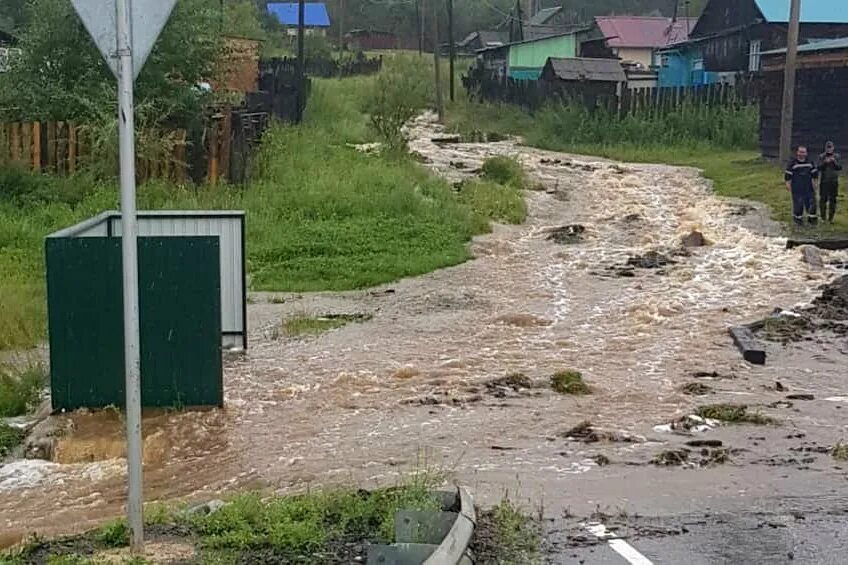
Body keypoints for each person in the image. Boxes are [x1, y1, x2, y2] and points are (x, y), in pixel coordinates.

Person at [785, 145, 819, 226]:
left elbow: (815, 175)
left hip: (809, 188)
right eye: (800, 152)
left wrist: (815, 184)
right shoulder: (792, 163)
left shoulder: (810, 163)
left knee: (811, 204)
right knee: (798, 204)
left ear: (806, 153)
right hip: (797, 188)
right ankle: (798, 219)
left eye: (803, 152)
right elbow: (787, 176)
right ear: (797, 152)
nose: (802, 154)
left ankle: (812, 219)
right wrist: (788, 185)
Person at [818, 141, 841, 223]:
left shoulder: (837, 156)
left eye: (830, 147)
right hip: (824, 181)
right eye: (828, 147)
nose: (829, 149)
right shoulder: (821, 156)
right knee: (823, 199)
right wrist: (825, 162)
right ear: (825, 148)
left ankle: (831, 218)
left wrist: (834, 161)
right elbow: (819, 168)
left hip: (834, 181)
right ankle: (823, 218)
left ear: (833, 148)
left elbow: (839, 167)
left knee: (833, 200)